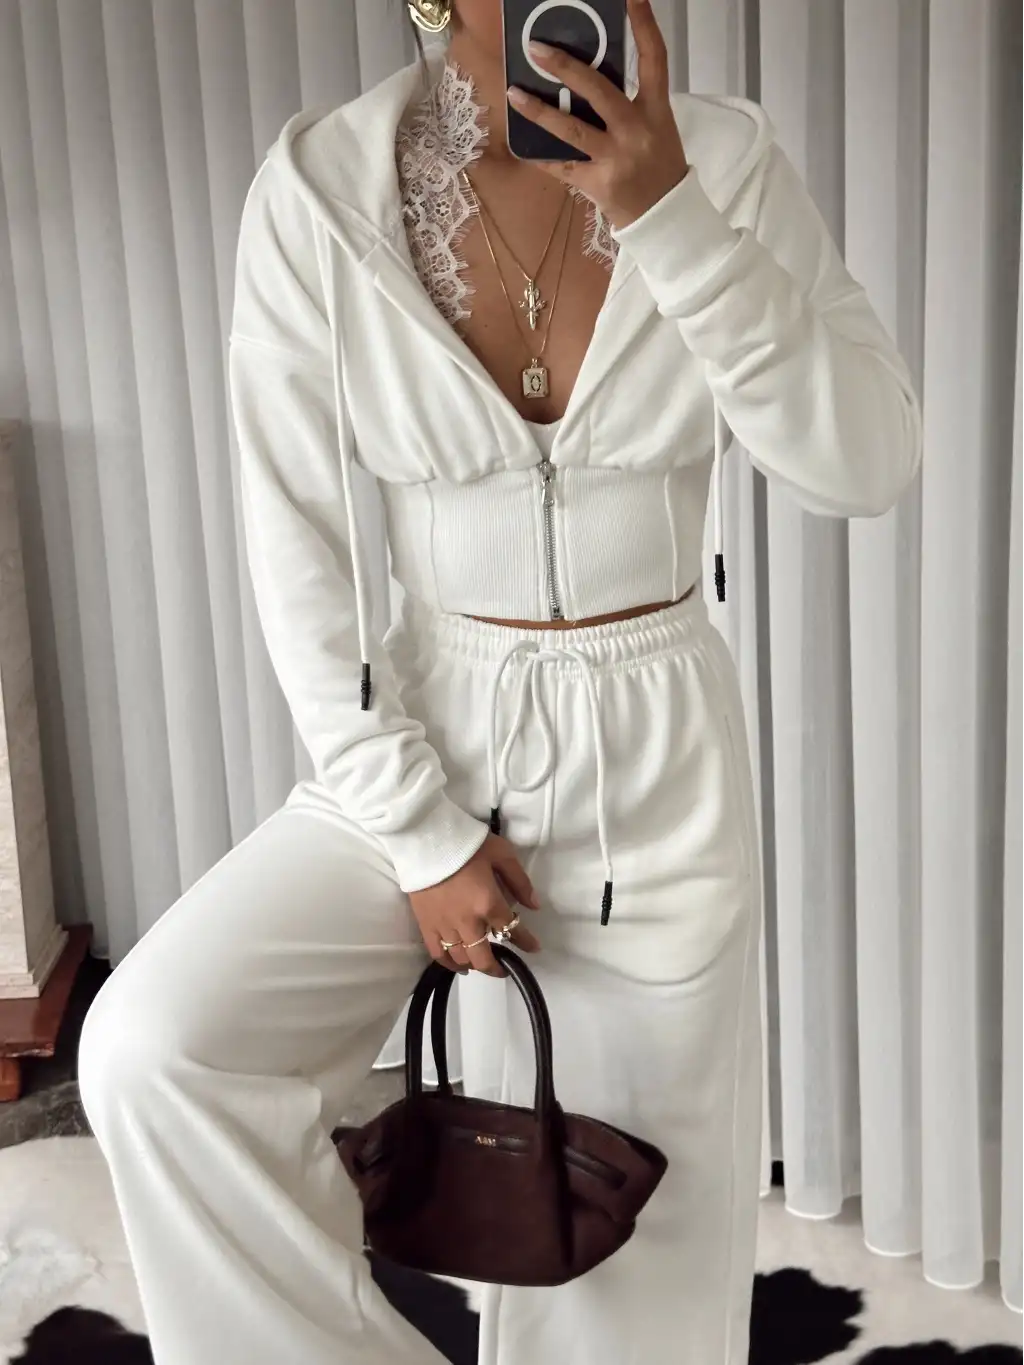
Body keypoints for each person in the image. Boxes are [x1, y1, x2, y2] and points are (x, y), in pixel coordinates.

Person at [78, 1, 922, 1362]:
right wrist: (418, 834)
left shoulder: (727, 163)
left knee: (622, 1261)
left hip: (655, 759)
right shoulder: (319, 191)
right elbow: (299, 552)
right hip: (422, 730)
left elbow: (867, 460)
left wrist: (669, 215)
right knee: (161, 1052)